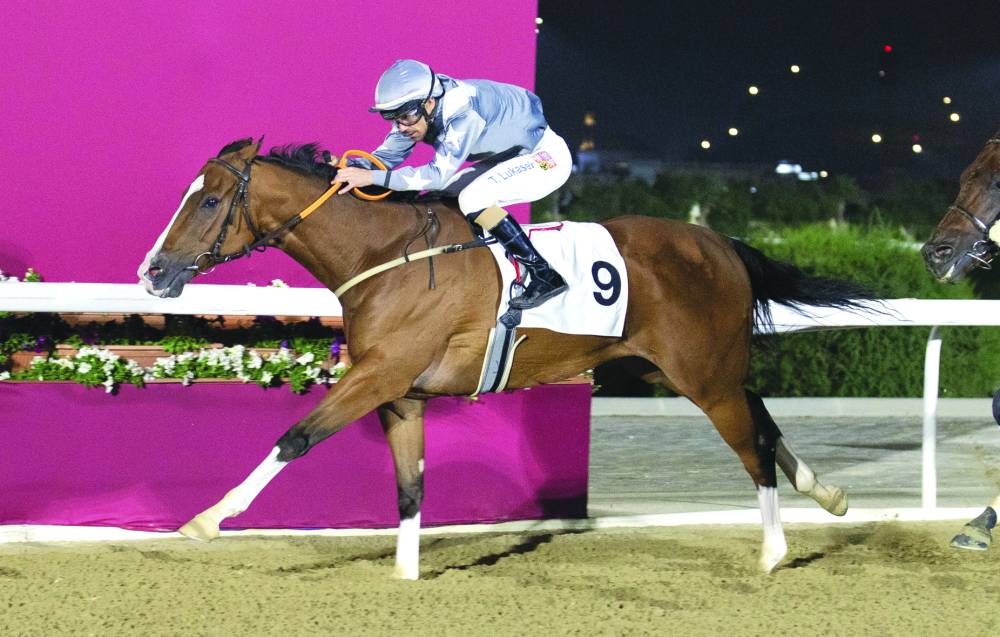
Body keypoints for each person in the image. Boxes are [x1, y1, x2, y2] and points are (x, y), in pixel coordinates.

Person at [334, 59, 572, 309]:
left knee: (473, 199)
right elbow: (383, 160)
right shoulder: (418, 112)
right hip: (507, 157)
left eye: (406, 116)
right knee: (437, 198)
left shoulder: (462, 113)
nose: (401, 127)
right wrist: (349, 168)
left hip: (545, 159)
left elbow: (437, 174)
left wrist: (370, 177)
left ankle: (544, 275)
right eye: (393, 118)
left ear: (429, 102)